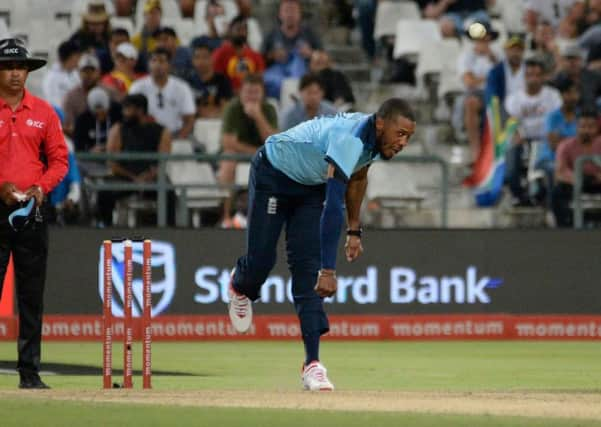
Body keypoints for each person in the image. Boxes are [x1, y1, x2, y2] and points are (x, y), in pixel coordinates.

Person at [227, 98, 415, 390]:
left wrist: (355, 230)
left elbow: (359, 176)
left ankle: (312, 364)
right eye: (400, 133)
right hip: (273, 173)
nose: (403, 142)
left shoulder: (375, 141)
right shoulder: (349, 139)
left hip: (308, 187)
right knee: (262, 262)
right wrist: (330, 270)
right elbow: (333, 207)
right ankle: (240, 285)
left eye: (409, 137)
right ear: (380, 123)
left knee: (307, 272)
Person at [0, 38, 69, 389]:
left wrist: (40, 189)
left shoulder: (43, 112)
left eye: (21, 67)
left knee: (31, 295)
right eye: (9, 67)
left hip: (31, 211)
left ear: (28, 71)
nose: (15, 73)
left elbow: (59, 160)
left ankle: (29, 373)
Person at [96, 94, 175, 226]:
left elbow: (163, 161)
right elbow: (112, 163)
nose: (124, 113)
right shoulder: (118, 129)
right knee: (104, 192)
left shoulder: (162, 131)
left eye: (128, 109)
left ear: (140, 110)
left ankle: (169, 231)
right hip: (123, 177)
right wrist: (133, 178)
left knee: (169, 193)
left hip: (151, 178)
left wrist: (148, 176)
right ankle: (104, 227)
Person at [219, 73, 278, 227]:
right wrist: (255, 152)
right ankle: (226, 216)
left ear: (263, 93)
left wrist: (258, 116)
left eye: (256, 92)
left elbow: (273, 142)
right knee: (228, 160)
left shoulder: (268, 108)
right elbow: (228, 142)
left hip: (262, 154)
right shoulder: (233, 108)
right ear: (240, 93)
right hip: (238, 155)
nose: (251, 97)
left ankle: (270, 216)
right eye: (248, 92)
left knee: (278, 162)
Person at [504, 58, 562, 205]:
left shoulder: (553, 96)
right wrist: (517, 134)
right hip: (523, 139)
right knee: (511, 153)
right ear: (524, 77)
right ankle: (518, 195)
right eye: (529, 75)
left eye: (537, 75)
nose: (533, 79)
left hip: (546, 139)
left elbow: (556, 120)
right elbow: (511, 122)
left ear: (543, 77)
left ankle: (544, 195)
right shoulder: (514, 98)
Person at [457, 21, 501, 163]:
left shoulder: (498, 55)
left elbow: (505, 78)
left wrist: (483, 78)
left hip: (497, 93)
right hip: (477, 94)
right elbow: (469, 81)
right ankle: (476, 152)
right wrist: (489, 78)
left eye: (485, 37)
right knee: (471, 102)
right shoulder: (466, 56)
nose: (483, 41)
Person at [129, 48, 196, 139]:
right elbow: (130, 115)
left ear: (169, 65)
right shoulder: (137, 87)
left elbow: (189, 118)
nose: (157, 65)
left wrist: (180, 138)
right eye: (153, 61)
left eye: (161, 61)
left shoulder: (182, 88)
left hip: (175, 135)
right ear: (148, 64)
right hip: (144, 136)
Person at [262, 0, 322, 99]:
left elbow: (324, 57)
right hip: (277, 75)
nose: (290, 15)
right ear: (280, 14)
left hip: (302, 74)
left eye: (293, 11)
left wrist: (310, 53)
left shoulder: (309, 33)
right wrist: (273, 56)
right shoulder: (271, 34)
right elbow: (260, 58)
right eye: (286, 11)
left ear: (300, 14)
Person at [552, 110, 601, 227]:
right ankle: (565, 227)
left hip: (597, 181)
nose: (586, 131)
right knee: (557, 192)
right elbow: (560, 171)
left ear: (597, 128)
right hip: (575, 182)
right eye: (583, 126)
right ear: (576, 127)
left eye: (591, 127)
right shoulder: (565, 145)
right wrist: (578, 178)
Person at [212, 14, 265, 92]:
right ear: (230, 31)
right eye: (238, 29)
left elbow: (260, 80)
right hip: (228, 96)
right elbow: (216, 80)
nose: (241, 32)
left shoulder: (255, 56)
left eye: (244, 29)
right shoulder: (220, 53)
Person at [187, 42, 233, 118]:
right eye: (197, 57)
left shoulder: (222, 80)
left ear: (212, 58)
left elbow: (226, 109)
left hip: (216, 122)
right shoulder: (187, 82)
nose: (201, 61)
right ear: (193, 60)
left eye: (205, 57)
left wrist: (213, 115)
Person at [73, 87, 122, 154]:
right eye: (96, 113)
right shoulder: (82, 120)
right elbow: (78, 146)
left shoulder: (118, 113)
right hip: (91, 160)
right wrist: (90, 151)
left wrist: (109, 147)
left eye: (103, 112)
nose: (100, 115)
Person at [62, 54, 102, 136]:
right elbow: (67, 126)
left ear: (98, 72)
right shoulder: (71, 97)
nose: (88, 75)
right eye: (85, 71)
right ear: (79, 72)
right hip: (80, 140)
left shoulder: (108, 93)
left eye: (92, 71)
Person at [485, 34, 526, 108]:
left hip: (526, 109)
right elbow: (492, 96)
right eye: (512, 50)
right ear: (506, 51)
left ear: (523, 52)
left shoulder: (530, 70)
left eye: (518, 50)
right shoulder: (496, 72)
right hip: (503, 109)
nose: (515, 53)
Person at [415, 0, 492, 38]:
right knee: (446, 26)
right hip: (452, 16)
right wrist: (445, 2)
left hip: (476, 14)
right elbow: (430, 15)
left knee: (481, 27)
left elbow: (492, 3)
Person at [41, 41, 81, 108]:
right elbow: (55, 104)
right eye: (78, 56)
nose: (79, 59)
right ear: (72, 57)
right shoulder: (51, 78)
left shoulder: (76, 74)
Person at [132, 0, 163, 73]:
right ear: (144, 16)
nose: (153, 16)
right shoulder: (135, 40)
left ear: (160, 15)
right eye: (150, 13)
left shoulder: (167, 38)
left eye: (156, 13)